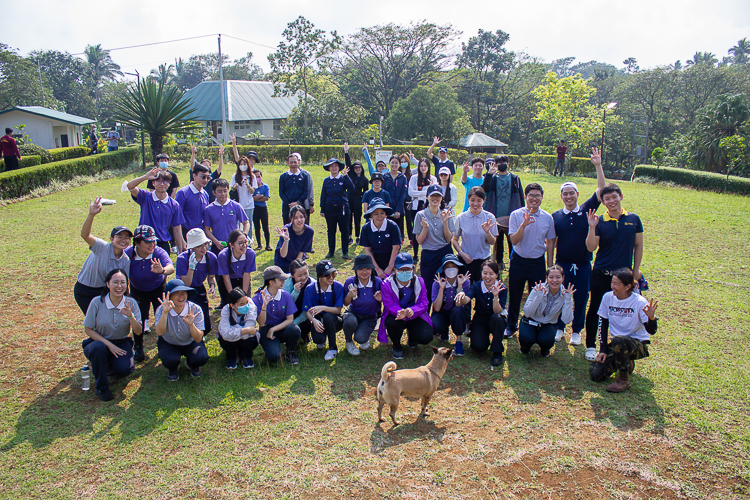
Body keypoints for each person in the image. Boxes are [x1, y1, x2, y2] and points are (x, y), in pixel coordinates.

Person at [550, 147, 607, 346]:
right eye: (565, 194)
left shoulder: (586, 210)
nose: (568, 197)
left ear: (577, 194)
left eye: (571, 193)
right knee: (560, 296)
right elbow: (552, 241)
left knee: (581, 298)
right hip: (562, 264)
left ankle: (576, 330)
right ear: (561, 196)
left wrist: (598, 165)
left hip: (583, 265)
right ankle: (559, 327)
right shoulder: (556, 216)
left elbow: (601, 191)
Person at [584, 183, 644, 361]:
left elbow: (638, 245)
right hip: (601, 274)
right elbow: (591, 247)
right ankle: (590, 346)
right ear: (602, 201)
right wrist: (592, 227)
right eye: (607, 198)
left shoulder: (634, 219)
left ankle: (621, 345)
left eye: (614, 197)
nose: (611, 201)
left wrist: (636, 270)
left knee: (623, 310)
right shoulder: (599, 221)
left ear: (621, 197)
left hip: (624, 276)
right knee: (596, 308)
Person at [590, 268, 658, 392]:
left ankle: (623, 380)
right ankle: (626, 362)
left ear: (627, 287)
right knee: (596, 373)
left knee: (619, 340)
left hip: (637, 345)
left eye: (616, 284)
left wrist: (651, 318)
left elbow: (651, 331)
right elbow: (602, 325)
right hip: (617, 344)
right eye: (612, 282)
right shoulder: (607, 297)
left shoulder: (639, 302)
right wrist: (603, 350)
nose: (612, 287)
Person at [505, 183, 556, 339]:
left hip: (537, 262)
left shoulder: (548, 217)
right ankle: (511, 325)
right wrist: (523, 224)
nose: (534, 199)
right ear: (525, 197)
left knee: (538, 297)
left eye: (538, 196)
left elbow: (551, 242)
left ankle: (533, 325)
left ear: (541, 197)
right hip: (519, 260)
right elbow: (514, 240)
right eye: (531, 195)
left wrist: (549, 266)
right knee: (515, 295)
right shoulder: (515, 214)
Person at [82, 269, 142, 401]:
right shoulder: (97, 302)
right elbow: (88, 329)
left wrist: (131, 317)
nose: (119, 286)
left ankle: (107, 364)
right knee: (98, 349)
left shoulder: (131, 303)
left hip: (121, 342)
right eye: (115, 282)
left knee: (124, 370)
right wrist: (109, 345)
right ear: (108, 284)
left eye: (123, 282)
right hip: (98, 342)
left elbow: (138, 331)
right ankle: (102, 387)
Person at [125, 225, 174, 362]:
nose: (152, 244)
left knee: (161, 316)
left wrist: (162, 270)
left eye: (153, 241)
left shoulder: (158, 252)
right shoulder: (128, 253)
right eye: (147, 241)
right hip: (137, 289)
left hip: (158, 288)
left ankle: (163, 344)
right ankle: (138, 347)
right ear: (136, 243)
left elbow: (170, 268)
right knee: (138, 318)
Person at [74, 197, 132, 315]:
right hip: (84, 289)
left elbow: (124, 282)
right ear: (112, 239)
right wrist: (91, 215)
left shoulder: (125, 260)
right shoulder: (101, 246)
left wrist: (128, 300)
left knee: (103, 319)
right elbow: (85, 235)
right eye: (119, 237)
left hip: (104, 291)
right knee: (94, 320)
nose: (123, 240)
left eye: (127, 238)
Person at [377, 253, 433, 360]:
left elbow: (424, 303)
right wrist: (399, 312)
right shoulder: (386, 284)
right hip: (397, 316)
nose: (405, 272)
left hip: (416, 316)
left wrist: (413, 311)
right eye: (401, 270)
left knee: (426, 336)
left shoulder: (419, 281)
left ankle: (412, 337)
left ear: (413, 268)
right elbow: (388, 305)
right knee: (391, 322)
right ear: (395, 270)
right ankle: (396, 346)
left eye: (408, 269)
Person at [454, 260, 507, 366]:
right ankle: (483, 339)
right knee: (478, 346)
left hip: (495, 318)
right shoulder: (477, 286)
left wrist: (495, 296)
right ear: (481, 273)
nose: (488, 277)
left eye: (491, 274)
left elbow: (497, 311)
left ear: (497, 275)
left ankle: (497, 351)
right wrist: (461, 295)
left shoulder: (502, 288)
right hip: (480, 319)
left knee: (498, 318)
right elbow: (466, 300)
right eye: (485, 273)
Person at [155, 279, 209, 381]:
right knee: (170, 360)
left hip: (190, 342)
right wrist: (165, 313)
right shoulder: (161, 309)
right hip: (169, 342)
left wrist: (191, 324)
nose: (182, 296)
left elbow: (198, 339)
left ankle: (192, 363)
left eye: (184, 293)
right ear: (169, 296)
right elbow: (159, 332)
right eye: (177, 294)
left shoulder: (195, 309)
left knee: (201, 357)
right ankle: (173, 368)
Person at [127, 167, 187, 254]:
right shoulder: (145, 197)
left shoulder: (174, 205)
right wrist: (145, 177)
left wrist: (180, 248)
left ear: (169, 184)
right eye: (159, 181)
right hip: (143, 241)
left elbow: (177, 229)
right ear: (153, 183)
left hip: (162, 243)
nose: (162, 184)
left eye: (165, 181)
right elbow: (130, 186)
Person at [519, 266, 575, 357]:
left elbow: (566, 320)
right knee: (527, 339)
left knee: (546, 340)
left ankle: (545, 350)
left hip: (548, 324)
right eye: (551, 277)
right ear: (546, 277)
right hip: (531, 320)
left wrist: (568, 300)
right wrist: (538, 297)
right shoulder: (538, 288)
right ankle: (525, 347)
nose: (554, 280)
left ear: (563, 278)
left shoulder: (566, 295)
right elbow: (527, 313)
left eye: (558, 277)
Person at [252, 266, 301, 365]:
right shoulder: (257, 298)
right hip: (266, 330)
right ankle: (271, 347)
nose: (283, 282)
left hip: (282, 328)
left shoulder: (285, 295)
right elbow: (261, 323)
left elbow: (290, 320)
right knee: (273, 358)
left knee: (295, 329)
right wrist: (264, 306)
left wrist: (273, 329)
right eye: (280, 280)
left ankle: (290, 351)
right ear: (271, 282)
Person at [482, 155, 524, 269]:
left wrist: (523, 211)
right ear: (495, 164)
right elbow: (484, 189)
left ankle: (513, 260)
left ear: (508, 164)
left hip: (511, 215)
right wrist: (489, 174)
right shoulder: (492, 177)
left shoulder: (515, 178)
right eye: (498, 162)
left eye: (504, 161)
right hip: (496, 214)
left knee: (512, 239)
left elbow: (520, 196)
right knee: (498, 239)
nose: (501, 164)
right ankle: (499, 261)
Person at [414, 185, 455, 298]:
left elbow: (448, 239)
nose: (435, 198)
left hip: (445, 253)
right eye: (432, 195)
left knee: (447, 285)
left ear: (442, 198)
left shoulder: (446, 213)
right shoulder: (420, 215)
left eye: (438, 196)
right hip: (429, 254)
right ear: (427, 197)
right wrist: (425, 228)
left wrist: (445, 222)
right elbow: (419, 241)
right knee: (428, 287)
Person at [452, 187, 498, 284]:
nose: (475, 204)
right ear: (468, 200)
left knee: (481, 291)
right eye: (472, 200)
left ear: (483, 201)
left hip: (483, 261)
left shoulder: (489, 217)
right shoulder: (461, 218)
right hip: (465, 260)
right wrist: (462, 254)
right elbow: (454, 240)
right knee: (465, 291)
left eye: (479, 200)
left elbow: (493, 242)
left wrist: (487, 232)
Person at [176, 229, 218, 335]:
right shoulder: (182, 259)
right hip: (185, 290)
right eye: (200, 246)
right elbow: (186, 284)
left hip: (199, 289)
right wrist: (191, 267)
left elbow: (211, 276)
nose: (204, 249)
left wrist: (212, 285)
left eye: (205, 245)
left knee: (206, 325)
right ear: (192, 247)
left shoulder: (211, 257)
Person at [303, 260, 345, 361]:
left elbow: (338, 310)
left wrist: (323, 308)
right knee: (318, 340)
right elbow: (307, 310)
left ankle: (333, 348)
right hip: (318, 319)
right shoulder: (310, 289)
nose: (331, 278)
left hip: (334, 319)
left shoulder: (338, 286)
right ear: (320, 277)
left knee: (328, 316)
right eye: (328, 276)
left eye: (333, 274)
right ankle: (322, 338)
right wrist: (313, 320)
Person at [343, 255, 383, 355]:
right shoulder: (350, 281)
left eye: (367, 269)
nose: (364, 272)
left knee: (360, 338)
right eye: (360, 269)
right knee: (349, 321)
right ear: (356, 270)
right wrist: (349, 295)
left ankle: (362, 334)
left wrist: (381, 299)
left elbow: (386, 302)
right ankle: (348, 341)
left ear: (372, 269)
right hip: (354, 312)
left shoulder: (377, 282)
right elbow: (345, 303)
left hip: (370, 317)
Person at [431, 255, 470, 352]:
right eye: (447, 267)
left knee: (457, 311)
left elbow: (459, 305)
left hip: (457, 311)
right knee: (436, 324)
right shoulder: (437, 283)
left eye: (453, 266)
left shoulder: (464, 281)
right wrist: (441, 288)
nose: (451, 269)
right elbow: (437, 308)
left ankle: (459, 341)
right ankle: (443, 332)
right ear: (443, 269)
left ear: (458, 268)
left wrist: (460, 286)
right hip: (442, 311)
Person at [203, 178, 250, 256]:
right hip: (218, 246)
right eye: (219, 191)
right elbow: (207, 229)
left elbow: (246, 223)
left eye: (225, 191)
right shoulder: (209, 209)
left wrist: (243, 236)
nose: (223, 194)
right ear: (214, 192)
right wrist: (216, 242)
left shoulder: (236, 206)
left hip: (235, 245)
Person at [320, 158, 355, 259]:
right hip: (329, 208)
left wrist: (346, 176)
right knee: (331, 230)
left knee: (344, 230)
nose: (334, 168)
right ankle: (331, 251)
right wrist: (322, 209)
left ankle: (345, 252)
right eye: (332, 166)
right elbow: (323, 195)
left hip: (343, 208)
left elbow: (352, 189)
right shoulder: (327, 181)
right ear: (329, 168)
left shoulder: (343, 178)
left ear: (339, 167)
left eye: (336, 166)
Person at [217, 287, 260, 369]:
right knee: (223, 338)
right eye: (241, 304)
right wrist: (245, 330)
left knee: (248, 338)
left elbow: (247, 335)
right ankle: (232, 357)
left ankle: (246, 357)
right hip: (230, 341)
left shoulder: (251, 307)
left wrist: (233, 329)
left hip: (246, 340)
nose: (246, 305)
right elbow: (225, 335)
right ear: (232, 305)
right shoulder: (226, 310)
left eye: (246, 302)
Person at [359, 198, 402, 279]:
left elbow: (395, 248)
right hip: (374, 261)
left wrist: (390, 267)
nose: (379, 216)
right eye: (376, 214)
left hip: (391, 259)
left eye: (382, 213)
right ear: (371, 214)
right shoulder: (366, 228)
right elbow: (367, 250)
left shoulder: (393, 226)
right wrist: (377, 269)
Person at [216, 229, 256, 308]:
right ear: (231, 245)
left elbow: (246, 275)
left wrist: (243, 295)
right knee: (230, 306)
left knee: (244, 304)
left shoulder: (250, 253)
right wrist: (233, 296)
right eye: (240, 243)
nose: (244, 245)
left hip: (242, 280)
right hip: (228, 282)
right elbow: (226, 278)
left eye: (245, 242)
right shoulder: (223, 256)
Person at [407, 158, 436, 259]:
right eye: (421, 166)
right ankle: (415, 254)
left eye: (425, 166)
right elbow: (410, 192)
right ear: (418, 167)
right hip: (415, 207)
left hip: (428, 208)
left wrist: (419, 194)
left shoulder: (433, 179)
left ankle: (427, 251)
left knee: (428, 229)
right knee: (416, 230)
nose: (423, 168)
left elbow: (433, 195)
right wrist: (426, 193)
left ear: (428, 167)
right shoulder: (414, 178)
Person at [282, 259, 316, 345]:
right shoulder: (286, 282)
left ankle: (304, 334)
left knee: (307, 325)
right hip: (288, 313)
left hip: (304, 313)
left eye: (306, 273)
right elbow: (286, 305)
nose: (304, 277)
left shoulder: (313, 283)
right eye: (300, 275)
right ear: (292, 275)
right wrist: (295, 292)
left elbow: (308, 309)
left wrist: (295, 322)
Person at [274, 205, 314, 273]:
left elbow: (301, 252)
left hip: (297, 261)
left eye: (301, 217)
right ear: (291, 219)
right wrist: (286, 240)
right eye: (295, 218)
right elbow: (283, 255)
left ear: (305, 217)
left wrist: (294, 269)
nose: (299, 220)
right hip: (282, 262)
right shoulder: (286, 230)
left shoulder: (309, 231)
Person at [343, 142, 369, 246]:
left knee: (357, 219)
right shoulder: (351, 175)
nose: (357, 169)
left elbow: (366, 192)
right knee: (349, 218)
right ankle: (349, 237)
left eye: (359, 168)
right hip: (349, 198)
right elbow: (348, 164)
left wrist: (363, 202)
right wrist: (346, 152)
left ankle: (358, 237)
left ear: (362, 168)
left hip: (358, 200)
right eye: (356, 168)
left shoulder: (365, 179)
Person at [230, 150, 259, 244]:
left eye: (244, 163)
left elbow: (252, 191)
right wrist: (234, 187)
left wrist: (247, 184)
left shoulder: (252, 176)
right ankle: (238, 242)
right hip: (238, 204)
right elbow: (232, 190)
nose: (243, 165)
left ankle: (248, 241)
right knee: (238, 224)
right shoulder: (235, 176)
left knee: (249, 224)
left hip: (249, 204)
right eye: (241, 164)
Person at [175, 162, 210, 237]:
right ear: (194, 176)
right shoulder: (183, 193)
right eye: (203, 177)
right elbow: (177, 217)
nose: (206, 180)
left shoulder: (205, 194)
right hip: (186, 233)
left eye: (208, 177)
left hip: (200, 233)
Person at [279, 153, 314, 225]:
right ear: (287, 163)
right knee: (288, 227)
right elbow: (281, 193)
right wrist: (290, 204)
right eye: (291, 162)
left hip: (301, 205)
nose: (293, 164)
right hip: (287, 206)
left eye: (295, 162)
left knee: (302, 226)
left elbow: (306, 191)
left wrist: (297, 202)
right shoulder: (283, 177)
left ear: (298, 162)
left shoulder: (304, 176)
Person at [382, 155, 408, 243]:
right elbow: (383, 194)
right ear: (389, 163)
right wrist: (385, 209)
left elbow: (403, 195)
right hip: (387, 208)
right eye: (392, 162)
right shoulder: (384, 177)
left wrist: (398, 210)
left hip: (398, 209)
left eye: (396, 163)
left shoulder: (403, 178)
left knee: (397, 232)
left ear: (399, 164)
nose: (394, 164)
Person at [252, 169, 272, 251]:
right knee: (257, 227)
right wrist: (260, 196)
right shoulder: (252, 187)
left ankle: (268, 245)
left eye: (259, 176)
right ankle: (259, 244)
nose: (257, 178)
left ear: (261, 176)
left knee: (265, 227)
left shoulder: (265, 186)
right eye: (255, 177)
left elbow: (266, 198)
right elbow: (251, 198)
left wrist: (256, 198)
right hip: (255, 208)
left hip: (263, 209)